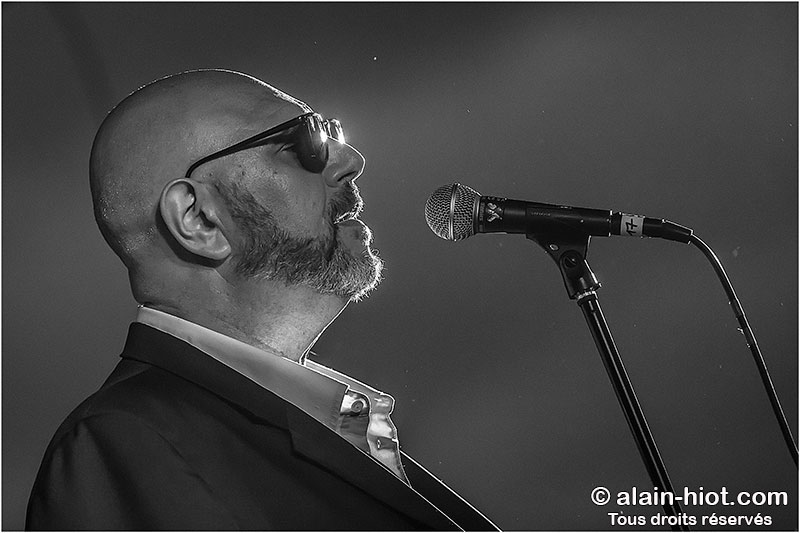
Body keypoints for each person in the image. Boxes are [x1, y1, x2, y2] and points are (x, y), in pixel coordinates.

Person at [25, 69, 498, 531]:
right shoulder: (127, 440)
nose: (350, 159)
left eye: (332, 132)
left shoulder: (335, 424)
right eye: (301, 142)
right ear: (198, 220)